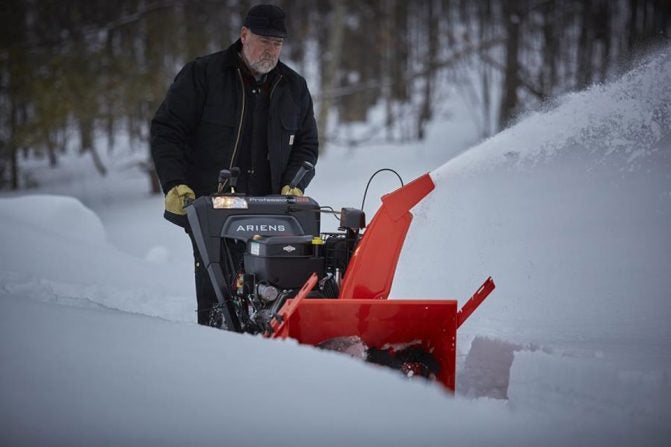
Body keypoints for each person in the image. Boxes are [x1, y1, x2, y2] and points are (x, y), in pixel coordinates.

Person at [150, 4, 318, 325]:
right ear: (244, 35)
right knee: (219, 297)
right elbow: (167, 131)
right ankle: (216, 353)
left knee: (271, 294)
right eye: (264, 40)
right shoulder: (203, 75)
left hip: (270, 211)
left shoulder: (294, 87)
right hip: (212, 209)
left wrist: (294, 183)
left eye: (277, 43)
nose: (271, 50)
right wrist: (175, 182)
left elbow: (308, 146)